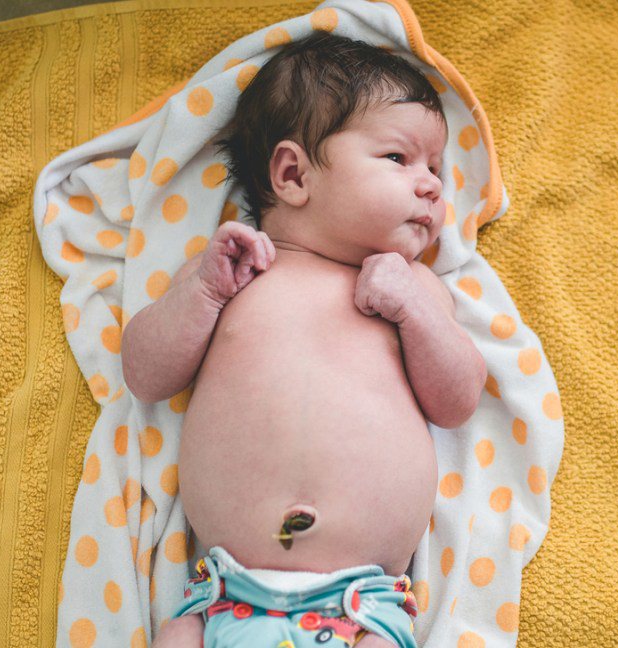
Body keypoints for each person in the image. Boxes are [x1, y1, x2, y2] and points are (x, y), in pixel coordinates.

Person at [124, 32, 486, 647]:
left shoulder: (415, 287)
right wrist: (204, 292)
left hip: (362, 607)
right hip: (223, 598)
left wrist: (412, 311)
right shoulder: (230, 270)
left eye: (435, 168)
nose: (431, 185)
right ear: (292, 174)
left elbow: (458, 401)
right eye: (398, 158)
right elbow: (144, 374)